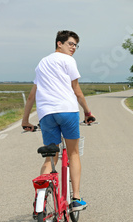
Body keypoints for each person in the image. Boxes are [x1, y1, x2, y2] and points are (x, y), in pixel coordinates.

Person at [22, 30, 95, 212]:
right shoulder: (68, 60)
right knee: (73, 154)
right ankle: (76, 198)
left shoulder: (42, 63)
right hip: (67, 111)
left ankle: (40, 199)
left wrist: (25, 120)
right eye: (70, 44)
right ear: (59, 44)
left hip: (46, 114)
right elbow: (77, 90)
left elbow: (32, 96)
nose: (74, 48)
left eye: (76, 45)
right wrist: (87, 112)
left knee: (51, 156)